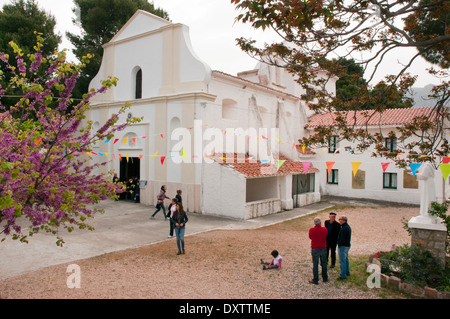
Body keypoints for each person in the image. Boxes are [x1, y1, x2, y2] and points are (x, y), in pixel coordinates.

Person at [308, 217, 328, 285]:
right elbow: (326, 235)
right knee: (324, 263)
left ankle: (315, 279)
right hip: (323, 247)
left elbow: (310, 237)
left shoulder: (311, 230)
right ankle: (325, 277)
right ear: (320, 222)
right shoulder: (324, 229)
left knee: (315, 264)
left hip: (315, 248)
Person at [337, 215, 352, 280]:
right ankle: (347, 272)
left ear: (343, 220)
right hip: (347, 245)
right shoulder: (347, 227)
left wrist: (339, 243)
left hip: (343, 246)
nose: (339, 220)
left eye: (339, 219)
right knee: (345, 259)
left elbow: (342, 239)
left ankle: (343, 275)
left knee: (342, 261)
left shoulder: (344, 228)